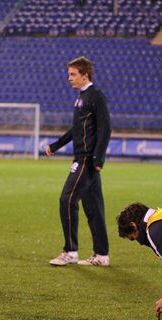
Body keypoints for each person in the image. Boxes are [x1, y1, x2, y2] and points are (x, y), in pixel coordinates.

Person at [47, 56, 112, 267]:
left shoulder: (96, 96)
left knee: (67, 200)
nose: (69, 78)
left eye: (73, 74)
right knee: (94, 208)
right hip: (84, 158)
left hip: (87, 159)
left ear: (85, 75)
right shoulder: (81, 97)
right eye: (69, 74)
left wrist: (98, 158)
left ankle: (70, 251)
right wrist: (56, 145)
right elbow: (77, 129)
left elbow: (105, 128)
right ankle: (101, 255)